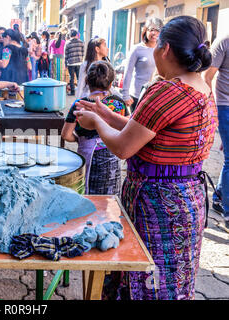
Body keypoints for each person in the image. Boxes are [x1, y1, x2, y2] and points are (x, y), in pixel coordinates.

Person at [74, 16, 217, 300]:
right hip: (189, 199)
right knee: (173, 279)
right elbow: (142, 129)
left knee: (144, 275)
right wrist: (104, 113)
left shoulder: (166, 90)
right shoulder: (202, 88)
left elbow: (124, 147)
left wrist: (95, 123)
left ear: (163, 50)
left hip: (157, 202)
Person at [62, 60, 127, 195]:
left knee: (88, 193)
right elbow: (127, 126)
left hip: (87, 155)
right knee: (110, 195)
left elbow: (66, 135)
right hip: (112, 153)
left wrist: (80, 139)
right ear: (110, 83)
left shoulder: (80, 104)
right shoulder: (119, 103)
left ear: (87, 80)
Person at [204, 34, 229, 232]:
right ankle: (228, 211)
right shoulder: (224, 42)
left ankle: (220, 196)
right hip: (225, 106)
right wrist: (212, 107)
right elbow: (208, 76)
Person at [122, 17, 163, 112]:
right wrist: (125, 95)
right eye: (151, 29)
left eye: (157, 30)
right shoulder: (137, 49)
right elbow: (128, 72)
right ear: (145, 31)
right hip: (137, 95)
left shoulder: (162, 49)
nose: (154, 33)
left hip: (155, 96)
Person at [64, 29, 85, 96]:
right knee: (79, 78)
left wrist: (65, 63)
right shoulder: (81, 42)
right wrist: (81, 59)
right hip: (79, 62)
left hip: (71, 63)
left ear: (70, 35)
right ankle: (80, 92)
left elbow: (66, 54)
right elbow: (83, 52)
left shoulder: (67, 43)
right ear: (76, 35)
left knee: (71, 78)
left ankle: (72, 92)